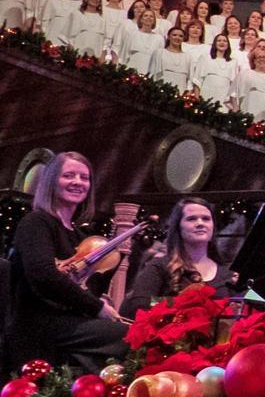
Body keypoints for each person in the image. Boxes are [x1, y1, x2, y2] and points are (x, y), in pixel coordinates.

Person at [7, 152, 130, 370]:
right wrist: (96, 307)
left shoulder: (82, 238)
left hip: (69, 321)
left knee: (129, 335)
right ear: (52, 181)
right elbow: (43, 275)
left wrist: (101, 301)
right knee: (126, 337)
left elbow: (86, 289)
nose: (78, 182)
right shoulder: (36, 222)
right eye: (69, 176)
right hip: (38, 323)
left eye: (84, 178)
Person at [121, 197, 231, 314]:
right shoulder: (160, 266)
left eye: (206, 219)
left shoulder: (228, 273)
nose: (200, 223)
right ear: (178, 227)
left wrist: (249, 288)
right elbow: (140, 304)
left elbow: (250, 303)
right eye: (191, 219)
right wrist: (185, 303)